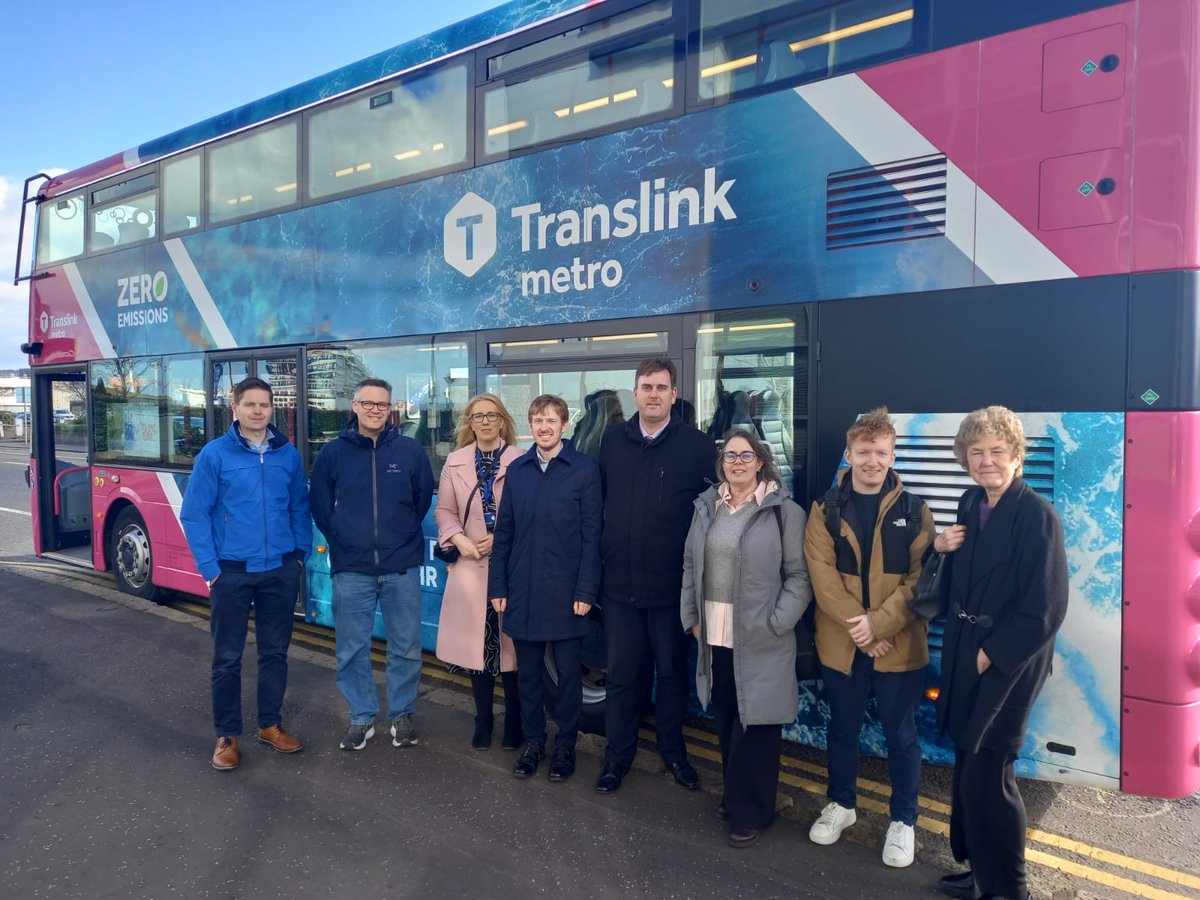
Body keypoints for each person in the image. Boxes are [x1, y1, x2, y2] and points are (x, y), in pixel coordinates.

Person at [933, 406, 1068, 900]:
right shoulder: (971, 503)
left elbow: (1046, 609)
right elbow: (960, 580)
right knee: (968, 767)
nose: (986, 461)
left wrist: (994, 653)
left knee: (992, 772)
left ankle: (1009, 888)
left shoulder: (1038, 517)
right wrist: (940, 547)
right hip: (966, 649)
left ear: (1016, 456)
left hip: (1009, 662)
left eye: (996, 451)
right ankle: (978, 871)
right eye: (976, 452)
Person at [802, 407, 936, 867]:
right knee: (842, 728)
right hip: (843, 644)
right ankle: (842, 805)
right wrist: (863, 629)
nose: (872, 461)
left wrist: (878, 626)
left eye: (881, 452)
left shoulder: (916, 512)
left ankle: (904, 820)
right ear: (849, 453)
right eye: (864, 452)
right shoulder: (824, 510)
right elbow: (822, 579)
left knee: (901, 735)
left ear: (893, 454)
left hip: (896, 643)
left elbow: (921, 581)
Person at [681, 430, 811, 848]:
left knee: (756, 727)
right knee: (726, 720)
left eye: (745, 455)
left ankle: (751, 811)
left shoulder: (784, 512)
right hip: (714, 633)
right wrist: (692, 618)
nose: (737, 462)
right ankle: (737, 797)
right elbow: (689, 565)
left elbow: (799, 577)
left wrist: (777, 622)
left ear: (761, 462)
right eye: (729, 455)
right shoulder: (707, 508)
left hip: (761, 634)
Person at [596, 358, 716, 794]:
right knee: (623, 678)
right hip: (619, 589)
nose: (653, 394)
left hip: (672, 592)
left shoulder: (699, 448)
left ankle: (673, 753)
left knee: (671, 676)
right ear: (635, 393)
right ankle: (617, 758)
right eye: (646, 386)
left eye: (661, 387)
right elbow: (596, 510)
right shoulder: (610, 443)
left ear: (673, 394)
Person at [180, 376, 311, 770]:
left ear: (273, 410)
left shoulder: (287, 455)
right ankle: (227, 735)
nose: (258, 411)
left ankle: (270, 725)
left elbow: (298, 507)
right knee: (227, 657)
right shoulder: (214, 455)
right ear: (233, 408)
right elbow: (194, 514)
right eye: (250, 404)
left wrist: (299, 555)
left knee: (275, 652)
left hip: (279, 571)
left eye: (265, 405)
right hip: (232, 573)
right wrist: (211, 569)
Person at [310, 378, 434, 752]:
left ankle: (402, 715)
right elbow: (320, 504)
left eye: (382, 404)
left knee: (406, 647)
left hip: (401, 569)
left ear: (390, 409)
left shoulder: (410, 450)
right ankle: (361, 717)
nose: (376, 410)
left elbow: (421, 499)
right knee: (351, 648)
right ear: (355, 406)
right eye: (369, 403)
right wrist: (343, 541)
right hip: (352, 569)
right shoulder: (334, 453)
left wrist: (401, 537)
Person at [488, 395, 602, 782]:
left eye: (551, 420)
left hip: (568, 594)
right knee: (529, 676)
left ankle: (565, 747)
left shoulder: (584, 471)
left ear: (564, 426)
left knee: (569, 678)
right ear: (529, 425)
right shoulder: (517, 471)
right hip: (522, 591)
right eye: (537, 420)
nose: (544, 426)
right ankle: (535, 743)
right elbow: (503, 535)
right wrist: (498, 585)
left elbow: (592, 538)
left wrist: (586, 592)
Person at [434, 393, 524, 750]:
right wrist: (459, 538)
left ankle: (515, 720)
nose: (485, 422)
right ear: (469, 423)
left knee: (513, 648)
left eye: (492, 415)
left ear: (503, 421)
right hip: (470, 566)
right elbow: (444, 509)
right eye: (477, 416)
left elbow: (530, 511)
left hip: (510, 566)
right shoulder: (454, 461)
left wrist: (499, 537)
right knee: (479, 651)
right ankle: (483, 718)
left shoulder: (520, 460)